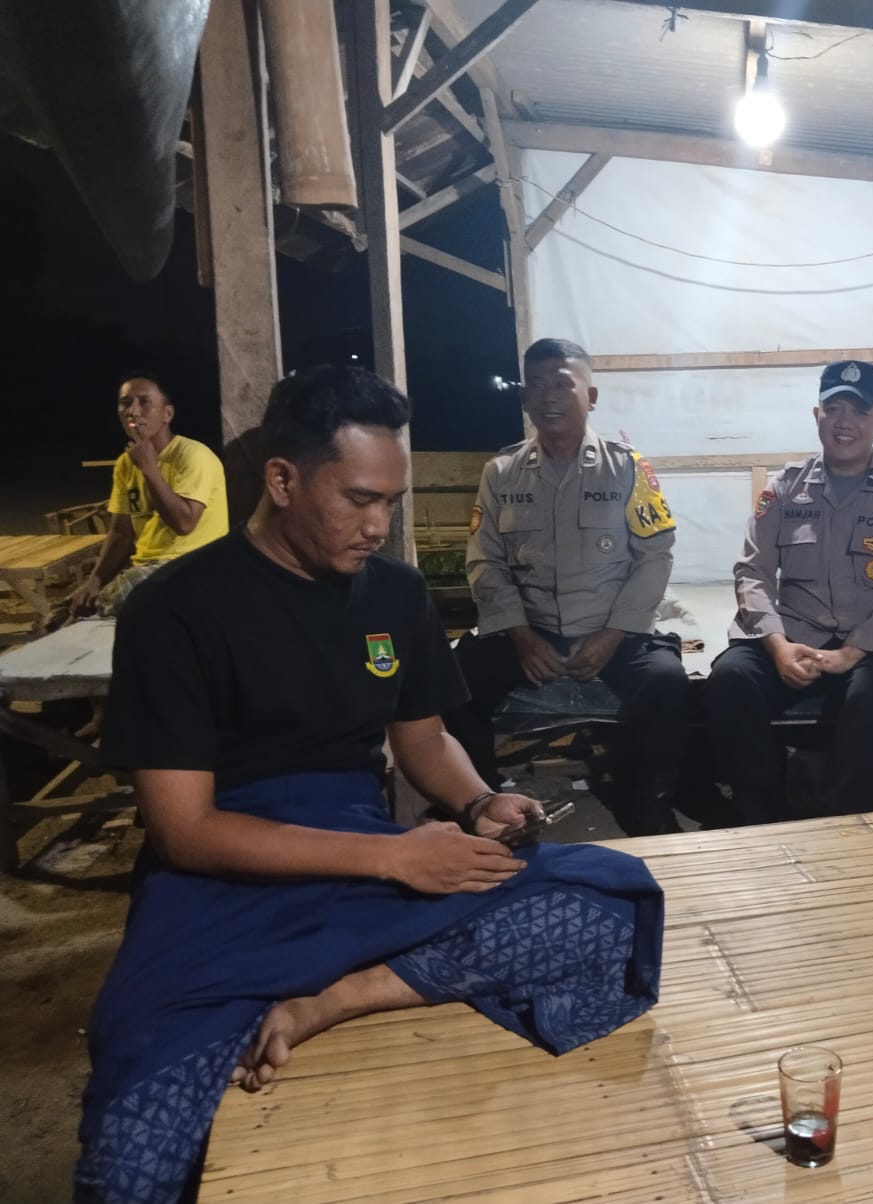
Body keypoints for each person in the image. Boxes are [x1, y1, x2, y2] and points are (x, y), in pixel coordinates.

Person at [77, 366, 663, 1204]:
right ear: (283, 480)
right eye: (358, 499)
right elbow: (186, 831)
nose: (380, 527)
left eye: (391, 501)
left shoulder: (394, 593)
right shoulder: (176, 609)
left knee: (612, 908)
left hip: (361, 847)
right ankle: (333, 985)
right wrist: (394, 860)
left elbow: (422, 739)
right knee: (133, 1153)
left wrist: (477, 801)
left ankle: (335, 998)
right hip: (221, 879)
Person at [444, 338, 689, 837]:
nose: (549, 396)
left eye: (562, 384)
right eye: (536, 385)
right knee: (453, 684)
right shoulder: (501, 473)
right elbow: (485, 560)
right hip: (530, 631)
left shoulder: (628, 468)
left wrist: (614, 634)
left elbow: (655, 555)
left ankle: (645, 804)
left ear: (590, 396)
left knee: (666, 682)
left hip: (611, 630)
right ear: (524, 399)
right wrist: (520, 635)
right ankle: (485, 807)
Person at [706, 360, 873, 822]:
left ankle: (840, 823)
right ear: (817, 415)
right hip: (795, 637)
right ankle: (761, 816)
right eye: (833, 409)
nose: (844, 421)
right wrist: (777, 646)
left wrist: (851, 653)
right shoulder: (783, 489)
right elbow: (752, 571)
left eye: (859, 411)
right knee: (731, 679)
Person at [70, 370, 228, 616]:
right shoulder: (125, 463)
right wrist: (95, 580)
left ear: (167, 414)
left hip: (192, 566)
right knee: (72, 606)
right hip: (145, 568)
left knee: (127, 595)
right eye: (125, 403)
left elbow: (184, 523)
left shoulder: (193, 456)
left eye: (144, 402)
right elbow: (121, 533)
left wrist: (149, 469)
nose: (133, 411)